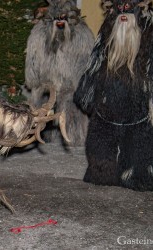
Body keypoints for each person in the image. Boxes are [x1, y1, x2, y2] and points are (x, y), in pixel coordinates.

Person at [74, 0, 153, 191]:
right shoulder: (106, 34)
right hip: (106, 111)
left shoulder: (149, 35)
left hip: (139, 114)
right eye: (120, 9)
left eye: (128, 9)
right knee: (101, 170)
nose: (123, 14)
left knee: (139, 168)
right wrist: (87, 95)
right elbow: (93, 67)